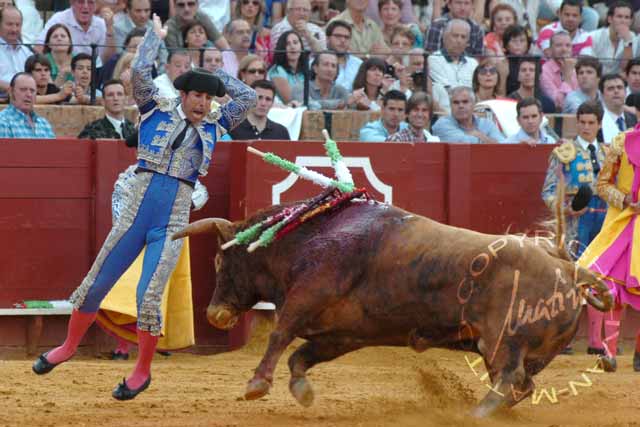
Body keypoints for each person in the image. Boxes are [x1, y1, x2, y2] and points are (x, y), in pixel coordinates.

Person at [31, 14, 256, 401]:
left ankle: (142, 371)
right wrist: (155, 37)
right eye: (196, 94)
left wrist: (211, 75)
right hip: (136, 213)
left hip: (172, 221)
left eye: (208, 96)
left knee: (149, 295)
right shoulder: (155, 108)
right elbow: (138, 71)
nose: (202, 103)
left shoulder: (216, 123)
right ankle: (67, 347)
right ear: (182, 95)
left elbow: (248, 98)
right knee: (96, 282)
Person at [578, 94, 640, 372]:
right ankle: (610, 351)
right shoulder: (620, 142)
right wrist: (626, 201)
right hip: (623, 221)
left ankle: (639, 353)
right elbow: (602, 185)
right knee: (614, 288)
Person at [541, 100, 607, 358]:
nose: (587, 127)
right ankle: (564, 339)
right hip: (574, 224)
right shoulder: (563, 153)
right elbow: (547, 192)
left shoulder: (608, 153)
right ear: (577, 123)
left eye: (592, 123)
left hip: (603, 223)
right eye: (582, 122)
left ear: (599, 124)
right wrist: (566, 209)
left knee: (600, 277)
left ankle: (594, 341)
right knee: (570, 279)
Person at [36, 0, 117, 65]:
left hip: (91, 73)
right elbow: (39, 47)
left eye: (90, 2)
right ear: (72, 3)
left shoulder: (101, 23)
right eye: (81, 2)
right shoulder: (59, 19)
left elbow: (108, 59)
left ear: (96, 5)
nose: (86, 6)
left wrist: (109, 28)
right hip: (65, 71)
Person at [432, 86, 506, 143]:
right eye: (456, 102)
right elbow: (465, 143)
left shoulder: (486, 124)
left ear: (474, 104)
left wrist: (479, 135)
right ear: (450, 106)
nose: (461, 106)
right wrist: (486, 138)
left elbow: (504, 146)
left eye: (465, 102)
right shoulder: (442, 124)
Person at [428, 19, 478, 100]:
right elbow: (448, 90)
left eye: (463, 37)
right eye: (455, 36)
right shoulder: (434, 59)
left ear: (467, 42)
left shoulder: (473, 63)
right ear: (444, 38)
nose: (459, 40)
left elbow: (477, 90)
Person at [0, 72, 56, 138]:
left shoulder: (43, 124)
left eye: (32, 91)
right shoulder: (2, 122)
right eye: (23, 90)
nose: (29, 95)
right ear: (11, 92)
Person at [589, 1, 636, 76]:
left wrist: (627, 42)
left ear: (630, 22)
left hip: (619, 82)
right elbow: (589, 66)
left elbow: (626, 68)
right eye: (619, 16)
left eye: (627, 17)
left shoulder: (632, 37)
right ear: (610, 19)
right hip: (596, 78)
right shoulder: (594, 36)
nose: (623, 21)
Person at [164, 0, 230, 51]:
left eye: (191, 4)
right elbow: (177, 58)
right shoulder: (169, 27)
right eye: (181, 5)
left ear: (197, 5)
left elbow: (224, 46)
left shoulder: (202, 17)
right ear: (175, 7)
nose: (186, 9)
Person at [540, 31, 579, 111]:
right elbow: (559, 104)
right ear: (550, 49)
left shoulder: (576, 69)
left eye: (568, 46)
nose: (564, 49)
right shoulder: (544, 71)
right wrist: (567, 77)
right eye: (559, 45)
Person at [0, 6, 33, 93]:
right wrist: (14, 89)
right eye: (9, 24)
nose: (14, 29)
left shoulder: (27, 52)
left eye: (17, 25)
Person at [267, 30, 304, 104]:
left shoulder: (305, 70)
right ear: (282, 48)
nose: (292, 47)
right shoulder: (277, 70)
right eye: (287, 44)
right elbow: (290, 100)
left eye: (295, 42)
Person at [599, 73, 637, 144]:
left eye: (619, 87)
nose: (616, 91)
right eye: (610, 88)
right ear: (602, 95)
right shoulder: (597, 121)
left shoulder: (635, 119)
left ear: (625, 92)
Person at [326, 20, 362, 92]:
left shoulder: (359, 64)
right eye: (338, 36)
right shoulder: (315, 63)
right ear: (327, 39)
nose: (342, 40)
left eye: (346, 37)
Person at [42, 23, 74, 87]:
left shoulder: (78, 60)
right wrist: (62, 74)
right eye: (55, 36)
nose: (59, 39)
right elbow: (50, 91)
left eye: (63, 36)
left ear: (70, 42)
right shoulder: (42, 61)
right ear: (48, 44)